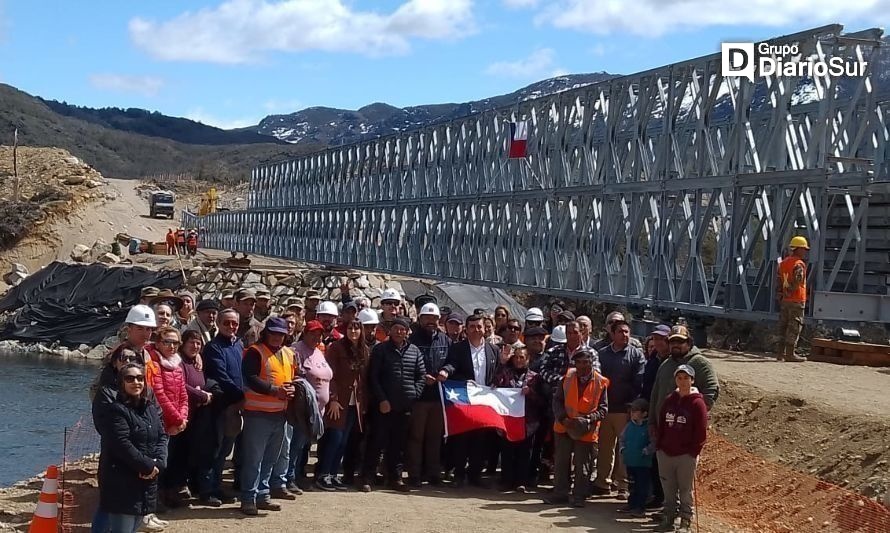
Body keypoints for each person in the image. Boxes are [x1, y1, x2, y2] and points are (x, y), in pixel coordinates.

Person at [97, 363, 168, 533]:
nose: (136, 382)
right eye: (130, 378)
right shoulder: (116, 411)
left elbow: (162, 436)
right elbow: (121, 444)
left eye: (140, 378)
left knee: (134, 527)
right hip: (122, 484)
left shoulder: (150, 407)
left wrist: (159, 463)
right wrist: (148, 465)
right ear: (121, 383)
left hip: (146, 483)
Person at [361, 317, 425, 492]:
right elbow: (373, 377)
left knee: (398, 445)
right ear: (390, 331)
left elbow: (421, 376)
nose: (399, 332)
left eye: (402, 329)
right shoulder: (380, 350)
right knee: (376, 442)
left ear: (407, 332)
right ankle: (368, 476)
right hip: (383, 406)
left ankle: (395, 478)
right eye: (396, 328)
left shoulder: (415, 351)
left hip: (404, 407)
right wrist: (382, 400)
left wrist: (414, 394)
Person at [240, 317, 297, 515]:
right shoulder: (255, 352)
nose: (276, 337)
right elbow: (250, 378)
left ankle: (262, 495)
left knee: (270, 459)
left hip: (280, 414)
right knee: (253, 459)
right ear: (266, 333)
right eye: (273, 333)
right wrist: (275, 391)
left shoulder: (289, 353)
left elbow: (292, 377)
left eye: (280, 334)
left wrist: (292, 389)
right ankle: (248, 498)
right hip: (257, 414)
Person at [437, 314, 499, 488]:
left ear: (485, 329)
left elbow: (497, 372)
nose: (476, 330)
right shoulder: (458, 348)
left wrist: (497, 380)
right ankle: (458, 474)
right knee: (461, 439)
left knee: (480, 440)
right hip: (464, 399)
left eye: (479, 326)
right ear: (466, 329)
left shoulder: (493, 350)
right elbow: (452, 365)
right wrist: (445, 372)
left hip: (484, 401)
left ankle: (475, 475)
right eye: (472, 327)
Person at [545, 349, 609, 507]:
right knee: (561, 462)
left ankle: (579, 496)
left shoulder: (600, 382)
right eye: (578, 362)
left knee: (583, 465)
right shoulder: (567, 377)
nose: (581, 366)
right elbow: (557, 401)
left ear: (591, 362)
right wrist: (563, 418)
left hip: (585, 429)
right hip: (564, 426)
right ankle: (560, 493)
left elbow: (603, 409)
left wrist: (588, 419)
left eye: (585, 362)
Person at [593, 319, 646, 499]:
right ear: (612, 334)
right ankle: (602, 483)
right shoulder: (602, 354)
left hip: (625, 410)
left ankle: (622, 485)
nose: (624, 335)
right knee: (605, 448)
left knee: (624, 449)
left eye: (627, 332)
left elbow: (639, 381)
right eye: (620, 332)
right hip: (605, 409)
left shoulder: (636, 355)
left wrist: (632, 406)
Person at [654, 365, 708, 533]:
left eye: (686, 378)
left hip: (686, 455)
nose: (683, 381)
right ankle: (668, 518)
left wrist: (693, 452)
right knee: (668, 489)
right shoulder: (670, 399)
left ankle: (685, 522)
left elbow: (701, 431)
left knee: (685, 491)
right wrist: (659, 446)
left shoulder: (697, 403)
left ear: (692, 380)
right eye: (680, 378)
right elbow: (661, 422)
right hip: (665, 452)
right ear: (675, 380)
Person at [316, 319, 369, 490]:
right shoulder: (336, 348)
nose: (353, 331)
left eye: (357, 328)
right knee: (334, 438)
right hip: (339, 401)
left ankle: (333, 474)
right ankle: (323, 474)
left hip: (356, 403)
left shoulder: (365, 350)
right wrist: (333, 399)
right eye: (350, 328)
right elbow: (329, 375)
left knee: (344, 441)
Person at [173, 330, 222, 507]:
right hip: (183, 415)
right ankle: (175, 491)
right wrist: (202, 396)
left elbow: (205, 380)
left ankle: (195, 488)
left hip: (198, 415)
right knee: (179, 455)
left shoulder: (197, 361)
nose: (195, 346)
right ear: (183, 343)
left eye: (198, 343)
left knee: (197, 453)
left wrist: (212, 392)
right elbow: (181, 384)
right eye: (191, 342)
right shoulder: (179, 362)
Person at [201, 309, 245, 502]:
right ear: (218, 324)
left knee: (226, 449)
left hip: (236, 406)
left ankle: (217, 487)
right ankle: (206, 490)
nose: (231, 326)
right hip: (221, 405)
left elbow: (242, 372)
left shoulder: (238, 344)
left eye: (234, 323)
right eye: (226, 323)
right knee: (214, 449)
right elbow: (221, 375)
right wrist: (241, 395)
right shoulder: (213, 347)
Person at [406, 303, 451, 487]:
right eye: (427, 318)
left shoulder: (446, 340)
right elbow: (407, 363)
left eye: (434, 318)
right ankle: (415, 474)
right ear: (420, 319)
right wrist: (421, 375)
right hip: (419, 397)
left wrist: (446, 370)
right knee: (416, 437)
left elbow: (453, 361)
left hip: (439, 398)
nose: (431, 321)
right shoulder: (412, 339)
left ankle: (433, 473)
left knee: (435, 437)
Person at [648, 325, 719, 433]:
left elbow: (712, 389)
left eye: (680, 341)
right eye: (672, 342)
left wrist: (697, 414)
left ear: (689, 343)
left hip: (687, 431)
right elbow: (655, 394)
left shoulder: (700, 363)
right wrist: (652, 422)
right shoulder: (666, 364)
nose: (675, 345)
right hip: (662, 429)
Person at [149, 327, 190, 508]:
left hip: (176, 423)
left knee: (173, 460)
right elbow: (159, 395)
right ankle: (154, 499)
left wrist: (182, 418)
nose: (171, 346)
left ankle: (169, 494)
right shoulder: (155, 363)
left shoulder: (177, 365)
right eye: (167, 342)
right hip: (160, 421)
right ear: (158, 343)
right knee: (159, 461)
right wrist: (177, 419)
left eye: (175, 342)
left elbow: (183, 395)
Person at [493, 346, 542, 492]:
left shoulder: (535, 377)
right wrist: (502, 363)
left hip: (527, 422)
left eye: (522, 357)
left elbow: (542, 401)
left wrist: (531, 393)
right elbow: (494, 384)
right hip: (508, 420)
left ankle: (521, 481)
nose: (519, 360)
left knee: (524, 453)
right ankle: (506, 481)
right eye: (516, 357)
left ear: (528, 359)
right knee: (507, 452)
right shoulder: (505, 374)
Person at [285, 320, 327, 490]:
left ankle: (297, 476)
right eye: (312, 334)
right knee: (294, 446)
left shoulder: (319, 351)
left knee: (303, 446)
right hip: (301, 408)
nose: (316, 338)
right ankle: (288, 478)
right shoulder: (296, 349)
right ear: (305, 333)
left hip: (317, 408)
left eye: (319, 335)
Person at [642, 324, 671, 508]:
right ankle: (657, 496)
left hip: (669, 417)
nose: (658, 342)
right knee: (653, 458)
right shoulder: (653, 359)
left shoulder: (673, 362)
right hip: (650, 413)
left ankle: (666, 500)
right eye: (656, 338)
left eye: (662, 339)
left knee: (665, 459)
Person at [618, 398, 654, 517]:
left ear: (644, 413)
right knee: (632, 485)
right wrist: (623, 449)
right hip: (630, 461)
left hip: (643, 463)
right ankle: (631, 504)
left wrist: (646, 451)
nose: (632, 413)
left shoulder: (648, 427)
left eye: (636, 411)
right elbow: (622, 439)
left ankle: (640, 507)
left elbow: (653, 442)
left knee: (642, 486)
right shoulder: (629, 426)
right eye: (631, 410)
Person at [776, 236, 809, 362]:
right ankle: (790, 354)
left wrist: (781, 294)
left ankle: (780, 353)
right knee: (794, 326)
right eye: (804, 249)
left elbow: (779, 280)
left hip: (785, 300)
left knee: (783, 326)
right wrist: (791, 291)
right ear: (798, 249)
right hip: (796, 300)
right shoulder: (798, 264)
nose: (805, 251)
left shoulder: (783, 263)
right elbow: (798, 280)